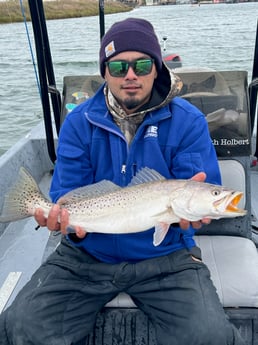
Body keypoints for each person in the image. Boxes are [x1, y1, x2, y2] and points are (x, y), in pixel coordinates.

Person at [0, 18, 246, 345]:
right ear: (105, 72)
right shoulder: (78, 122)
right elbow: (66, 194)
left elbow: (201, 193)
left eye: (142, 65)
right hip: (86, 256)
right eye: (118, 67)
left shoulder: (188, 121)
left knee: (210, 336)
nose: (131, 75)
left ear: (157, 69)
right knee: (21, 325)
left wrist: (197, 214)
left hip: (166, 259)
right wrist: (61, 219)